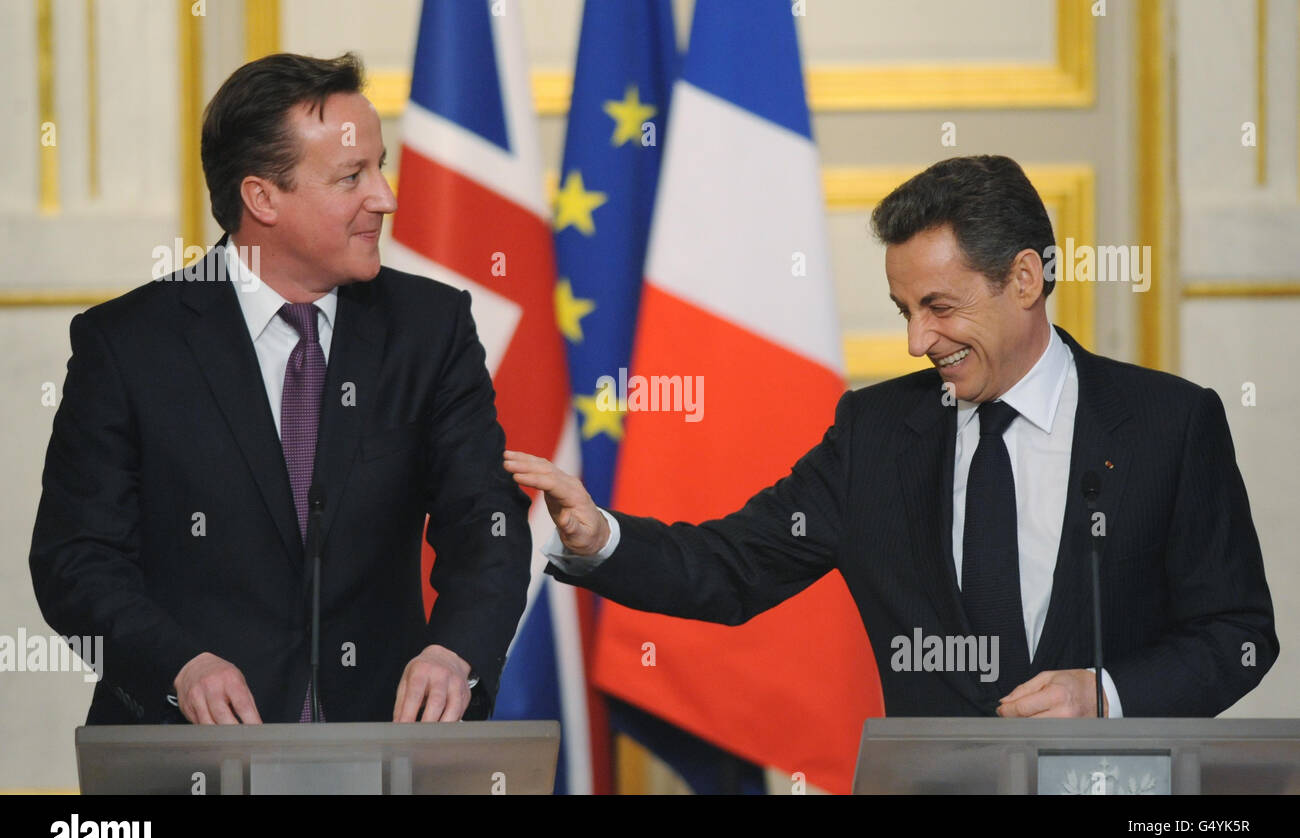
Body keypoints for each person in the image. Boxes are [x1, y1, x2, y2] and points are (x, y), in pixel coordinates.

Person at [506, 155, 1278, 718]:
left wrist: (1105, 695)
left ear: (1024, 280)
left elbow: (1236, 634)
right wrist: (599, 535)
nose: (918, 341)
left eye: (939, 307)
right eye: (904, 310)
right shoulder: (875, 435)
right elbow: (731, 566)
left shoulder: (1169, 425)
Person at [30, 52, 531, 725]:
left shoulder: (430, 329)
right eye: (353, 176)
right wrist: (179, 667)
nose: (384, 197)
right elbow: (77, 559)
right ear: (262, 197)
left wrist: (454, 652)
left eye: (379, 167)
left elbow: (487, 525)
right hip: (188, 751)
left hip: (385, 742)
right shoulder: (127, 345)